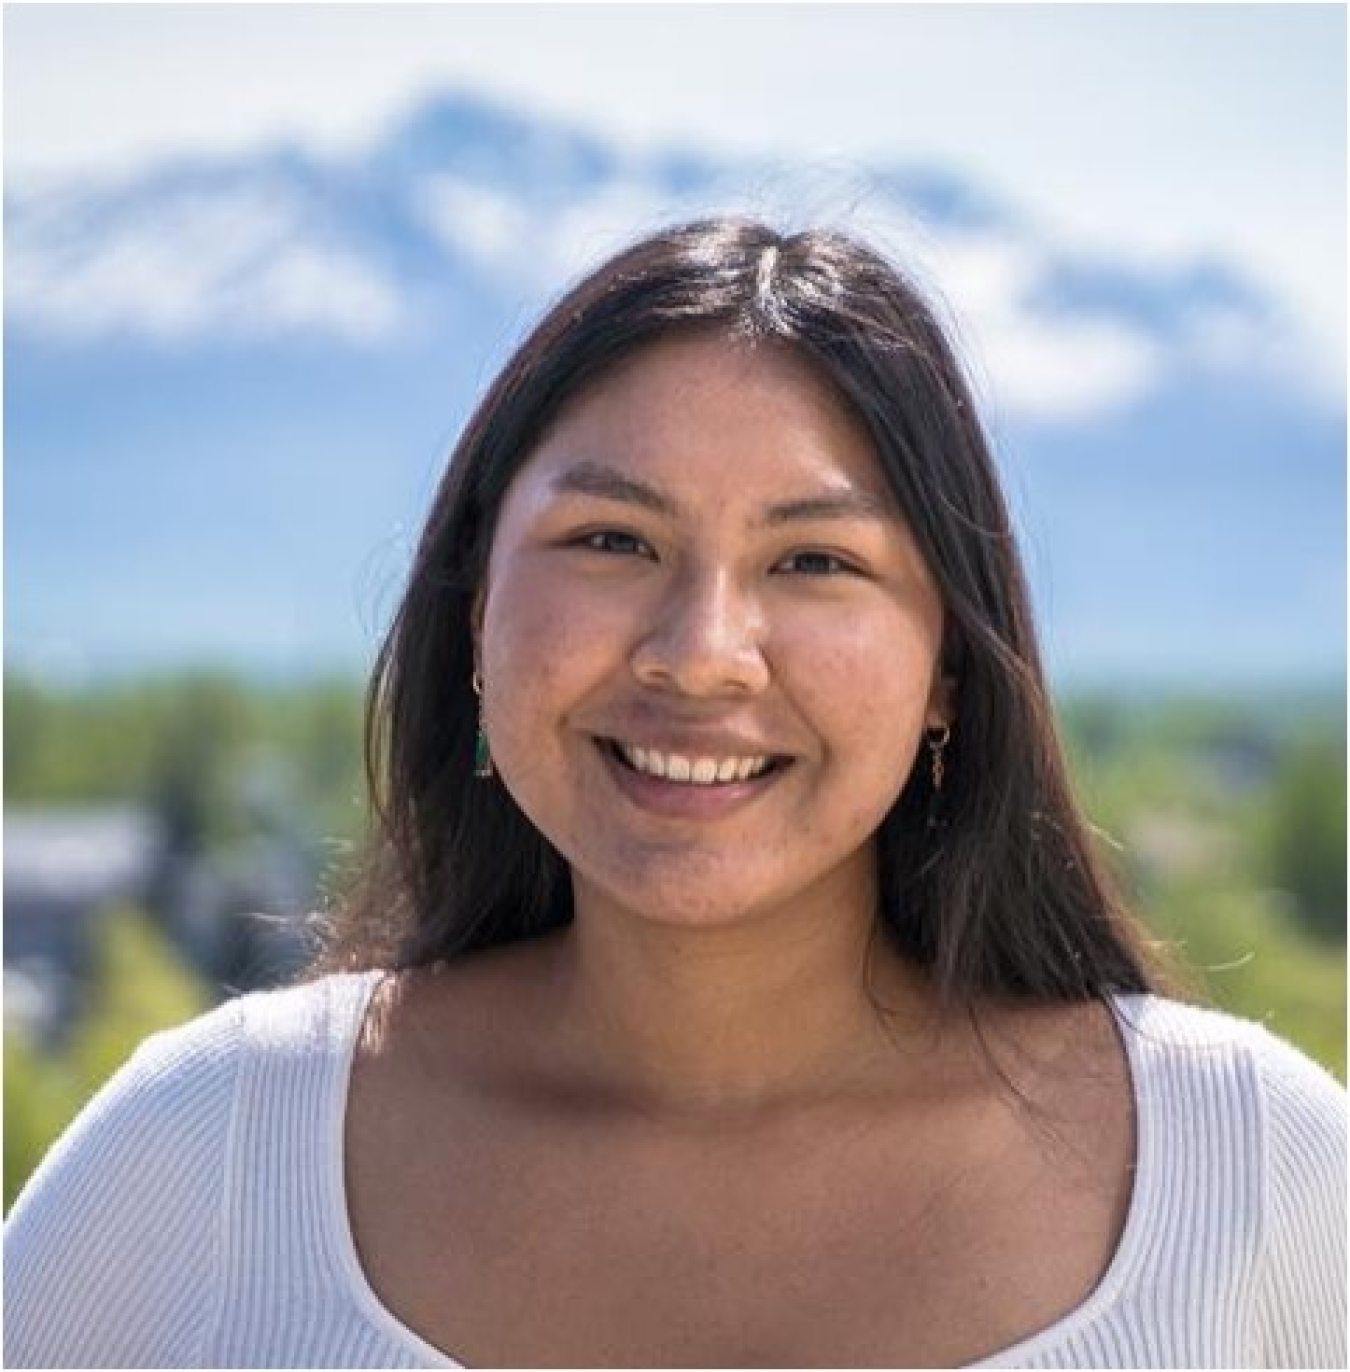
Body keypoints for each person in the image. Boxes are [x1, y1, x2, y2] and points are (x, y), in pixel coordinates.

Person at [5, 218, 1344, 1370]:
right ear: (474, 618)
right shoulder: (213, 1147)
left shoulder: (1244, 1168)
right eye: (609, 541)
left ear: (948, 665)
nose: (701, 650)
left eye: (813, 562)